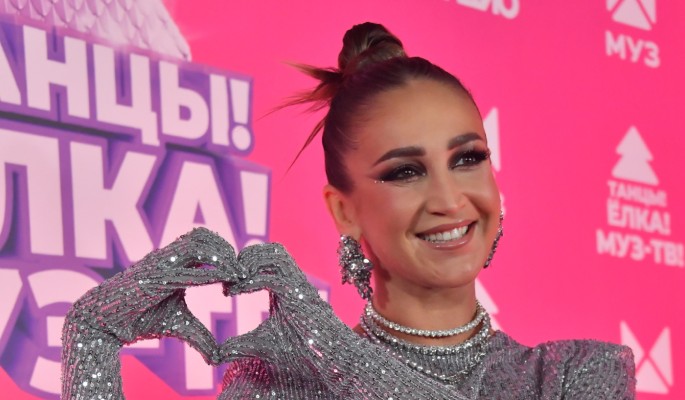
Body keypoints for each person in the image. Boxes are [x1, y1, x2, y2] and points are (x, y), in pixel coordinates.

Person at [61, 22, 636, 399]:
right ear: (344, 212)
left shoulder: (579, 376)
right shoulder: (274, 384)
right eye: (405, 171)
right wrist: (90, 339)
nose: (449, 199)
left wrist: (328, 342)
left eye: (467, 159)